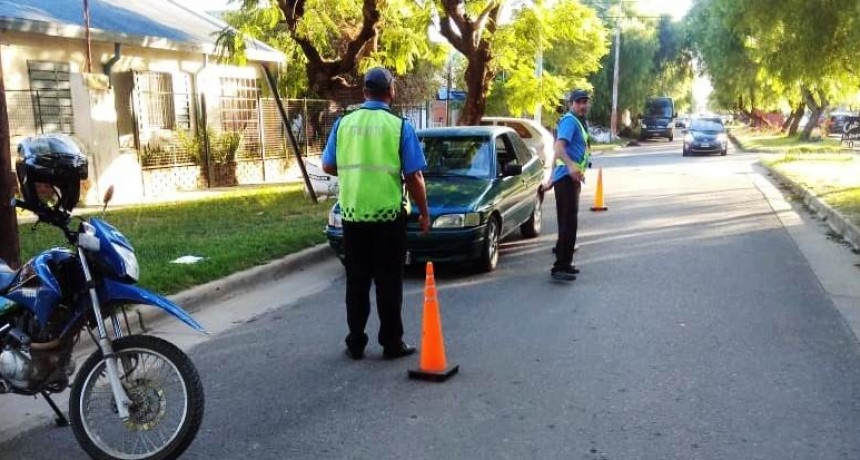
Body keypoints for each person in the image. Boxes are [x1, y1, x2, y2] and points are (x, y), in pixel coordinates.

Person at [322, 67, 430, 361]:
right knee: (388, 282)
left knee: (356, 281)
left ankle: (355, 342)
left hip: (354, 215)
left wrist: (354, 169)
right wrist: (424, 212)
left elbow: (328, 165)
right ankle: (391, 343)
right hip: (388, 217)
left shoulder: (344, 124)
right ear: (391, 92)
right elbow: (414, 176)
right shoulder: (399, 126)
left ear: (364, 92)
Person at [548, 89, 592, 282]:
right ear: (571, 103)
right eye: (579, 102)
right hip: (566, 178)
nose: (583, 105)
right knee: (567, 222)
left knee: (569, 221)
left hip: (570, 178)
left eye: (585, 102)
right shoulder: (569, 121)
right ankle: (560, 266)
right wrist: (571, 166)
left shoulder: (578, 122)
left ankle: (566, 262)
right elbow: (558, 147)